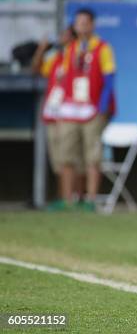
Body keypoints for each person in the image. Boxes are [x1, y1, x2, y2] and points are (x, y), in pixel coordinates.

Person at [57, 8, 116, 212]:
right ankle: (68, 200)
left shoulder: (102, 48)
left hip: (92, 109)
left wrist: (102, 106)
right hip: (71, 109)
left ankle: (90, 200)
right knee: (67, 154)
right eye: (77, 22)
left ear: (92, 25)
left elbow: (109, 79)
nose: (80, 26)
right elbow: (65, 77)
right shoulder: (70, 48)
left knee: (92, 155)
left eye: (84, 22)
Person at [31, 27, 85, 210]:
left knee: (70, 159)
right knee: (58, 162)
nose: (60, 38)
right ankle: (64, 198)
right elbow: (35, 68)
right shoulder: (56, 59)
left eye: (64, 35)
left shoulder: (77, 55)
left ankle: (75, 199)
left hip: (69, 114)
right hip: (53, 113)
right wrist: (41, 49)